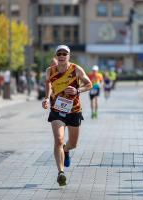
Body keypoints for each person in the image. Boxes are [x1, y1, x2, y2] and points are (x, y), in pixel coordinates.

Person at [41, 45, 92, 186]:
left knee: (73, 144)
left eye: (65, 53)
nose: (62, 55)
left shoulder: (76, 69)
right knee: (59, 139)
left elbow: (89, 84)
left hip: (74, 110)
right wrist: (46, 98)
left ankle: (66, 150)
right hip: (57, 109)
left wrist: (77, 90)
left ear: (69, 56)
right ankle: (61, 172)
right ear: (56, 56)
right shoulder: (49, 71)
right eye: (59, 53)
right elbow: (48, 85)